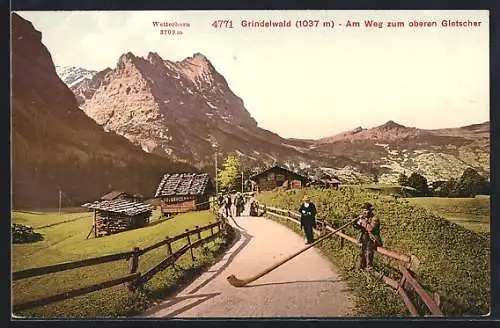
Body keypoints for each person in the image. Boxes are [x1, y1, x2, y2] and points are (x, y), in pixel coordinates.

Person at [353, 202, 383, 271]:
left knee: (368, 252)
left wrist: (362, 221)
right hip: (363, 238)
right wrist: (355, 223)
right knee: (360, 253)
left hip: (372, 239)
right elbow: (359, 228)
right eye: (363, 210)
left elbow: (371, 229)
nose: (364, 212)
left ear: (370, 210)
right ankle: (360, 268)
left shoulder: (375, 219)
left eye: (366, 210)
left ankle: (369, 268)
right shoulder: (364, 218)